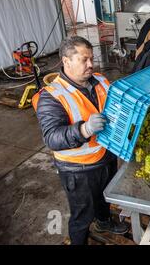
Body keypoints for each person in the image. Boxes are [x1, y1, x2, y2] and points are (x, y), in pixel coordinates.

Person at [32, 36, 129, 245]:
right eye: (84, 60)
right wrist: (84, 129)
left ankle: (104, 222)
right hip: (78, 169)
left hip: (106, 154)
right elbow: (51, 138)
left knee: (105, 198)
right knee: (82, 215)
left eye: (91, 58)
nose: (91, 64)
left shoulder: (101, 81)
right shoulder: (51, 96)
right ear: (66, 61)